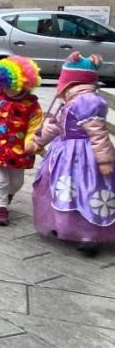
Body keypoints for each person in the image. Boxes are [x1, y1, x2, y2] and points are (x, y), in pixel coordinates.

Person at [27, 53, 115, 256]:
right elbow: (54, 126)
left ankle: (90, 235)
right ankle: (64, 225)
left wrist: (103, 160)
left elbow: (98, 134)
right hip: (65, 155)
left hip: (85, 157)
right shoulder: (69, 102)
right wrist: (36, 142)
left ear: (70, 82)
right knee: (64, 190)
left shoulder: (88, 102)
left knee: (88, 190)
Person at [0, 56, 43, 226]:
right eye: (3, 86)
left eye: (10, 86)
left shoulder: (31, 105)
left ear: (23, 83)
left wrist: (33, 142)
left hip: (20, 150)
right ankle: (1, 207)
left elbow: (35, 126)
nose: (6, 90)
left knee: (17, 182)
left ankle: (8, 194)